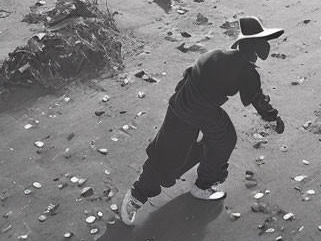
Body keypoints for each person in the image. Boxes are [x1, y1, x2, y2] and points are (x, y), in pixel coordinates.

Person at [120, 16, 285, 225]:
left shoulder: (215, 54)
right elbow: (258, 100)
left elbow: (187, 74)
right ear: (254, 46)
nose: (267, 46)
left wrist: (182, 101)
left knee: (166, 152)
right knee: (224, 139)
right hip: (203, 110)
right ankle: (203, 185)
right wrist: (274, 117)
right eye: (264, 41)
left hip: (180, 102)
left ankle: (135, 197)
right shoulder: (247, 71)